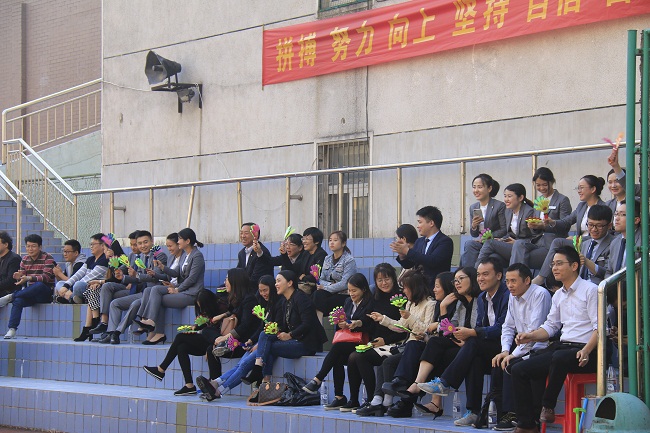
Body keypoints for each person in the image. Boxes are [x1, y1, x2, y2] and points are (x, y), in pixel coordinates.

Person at [510, 246, 598, 433]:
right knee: (519, 368)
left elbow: (600, 329)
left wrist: (586, 350)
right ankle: (527, 424)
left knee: (559, 357)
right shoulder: (558, 295)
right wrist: (530, 335)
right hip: (563, 348)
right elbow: (551, 326)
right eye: (553, 264)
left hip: (588, 351)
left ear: (574, 266)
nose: (554, 268)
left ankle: (547, 406)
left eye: (559, 264)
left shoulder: (591, 290)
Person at [417, 258, 509, 427]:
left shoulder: (506, 296)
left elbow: (501, 328)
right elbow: (453, 328)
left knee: (472, 344)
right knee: (473, 357)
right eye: (479, 274)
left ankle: (444, 383)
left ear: (498, 276)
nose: (481, 278)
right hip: (485, 345)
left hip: (506, 346)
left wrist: (472, 334)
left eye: (485, 274)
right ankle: (473, 412)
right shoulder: (483, 298)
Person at [391, 267, 481, 418]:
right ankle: (416, 386)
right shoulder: (460, 303)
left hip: (472, 344)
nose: (457, 283)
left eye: (461, 279)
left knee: (433, 348)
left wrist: (443, 312)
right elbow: (450, 328)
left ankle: (427, 394)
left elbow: (475, 328)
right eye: (455, 280)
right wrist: (444, 309)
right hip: (458, 342)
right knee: (433, 344)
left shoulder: (479, 301)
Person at [196, 275, 279, 400]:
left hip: (268, 343)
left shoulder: (274, 304)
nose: (263, 294)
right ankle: (215, 383)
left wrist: (257, 344)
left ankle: (218, 391)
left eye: (265, 290)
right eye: (261, 291)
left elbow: (272, 330)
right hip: (258, 342)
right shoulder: (266, 305)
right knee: (239, 365)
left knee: (244, 365)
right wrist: (251, 341)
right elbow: (261, 328)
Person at [490, 263, 552, 431]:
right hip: (523, 346)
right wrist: (505, 351)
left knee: (514, 365)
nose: (509, 285)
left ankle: (524, 417)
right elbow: (508, 326)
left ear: (527, 280)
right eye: (507, 281)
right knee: (500, 362)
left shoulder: (540, 294)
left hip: (542, 346)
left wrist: (513, 355)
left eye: (514, 281)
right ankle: (507, 413)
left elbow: (534, 331)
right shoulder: (513, 296)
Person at [368, 270, 436, 418]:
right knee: (386, 363)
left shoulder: (430, 304)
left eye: (406, 288)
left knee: (390, 362)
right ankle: (380, 399)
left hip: (421, 346)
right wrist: (383, 319)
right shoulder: (410, 304)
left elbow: (426, 330)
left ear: (414, 288)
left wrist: (410, 317)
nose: (404, 291)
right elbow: (401, 327)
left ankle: (393, 394)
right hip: (410, 346)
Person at [301, 273, 374, 411]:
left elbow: (370, 324)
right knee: (337, 357)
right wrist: (342, 324)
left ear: (364, 289)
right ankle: (339, 397)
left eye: (354, 290)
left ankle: (318, 379)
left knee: (337, 348)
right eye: (349, 290)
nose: (351, 294)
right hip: (349, 341)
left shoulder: (370, 303)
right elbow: (344, 322)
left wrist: (355, 324)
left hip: (364, 341)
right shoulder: (347, 302)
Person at [242, 270, 328, 387]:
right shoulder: (285, 301)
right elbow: (283, 326)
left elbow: (307, 324)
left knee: (269, 347)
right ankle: (260, 373)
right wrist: (273, 329)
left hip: (306, 343)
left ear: (289, 283)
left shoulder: (301, 298)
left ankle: (262, 378)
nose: (276, 284)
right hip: (295, 340)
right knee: (264, 334)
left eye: (278, 281)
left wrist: (289, 335)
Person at [97, 233, 179, 344]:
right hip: (142, 292)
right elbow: (136, 278)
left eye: (145, 242)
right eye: (139, 243)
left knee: (135, 304)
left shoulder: (159, 256)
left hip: (152, 293)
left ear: (152, 241)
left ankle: (117, 333)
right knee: (114, 303)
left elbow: (154, 277)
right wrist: (123, 277)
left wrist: (136, 275)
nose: (142, 246)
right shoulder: (140, 256)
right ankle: (110, 332)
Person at [347, 263, 405, 417]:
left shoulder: (401, 298)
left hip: (394, 344)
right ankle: (359, 399)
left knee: (360, 357)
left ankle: (375, 399)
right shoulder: (375, 298)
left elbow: (404, 329)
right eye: (379, 280)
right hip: (377, 344)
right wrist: (358, 323)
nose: (383, 283)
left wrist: (385, 340)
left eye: (387, 279)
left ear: (393, 278)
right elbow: (368, 321)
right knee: (353, 357)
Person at [143, 289, 225, 395]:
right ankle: (189, 385)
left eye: (202, 307)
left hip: (215, 340)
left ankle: (161, 369)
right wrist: (194, 328)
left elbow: (217, 330)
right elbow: (204, 325)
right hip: (205, 339)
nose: (201, 310)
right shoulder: (207, 311)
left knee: (180, 337)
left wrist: (208, 337)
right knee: (181, 347)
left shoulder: (221, 309)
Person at [531, 175, 606, 286]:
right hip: (579, 242)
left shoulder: (603, 207)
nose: (579, 191)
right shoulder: (581, 206)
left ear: (593, 189)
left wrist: (578, 238)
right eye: (578, 188)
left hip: (592, 242)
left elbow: (603, 233)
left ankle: (541, 277)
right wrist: (552, 222)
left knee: (557, 242)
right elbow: (566, 221)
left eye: (581, 188)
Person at [135, 228, 205, 345]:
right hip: (183, 290)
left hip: (192, 293)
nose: (178, 242)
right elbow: (176, 273)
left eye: (180, 239)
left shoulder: (197, 256)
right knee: (152, 290)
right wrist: (163, 267)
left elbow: (192, 279)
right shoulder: (186, 256)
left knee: (158, 297)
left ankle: (155, 328)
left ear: (187, 241)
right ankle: (148, 322)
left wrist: (177, 289)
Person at [535, 205, 613, 289]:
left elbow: (610, 274)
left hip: (598, 288)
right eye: (590, 225)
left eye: (599, 226)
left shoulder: (613, 244)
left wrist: (587, 262)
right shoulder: (586, 244)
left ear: (609, 226)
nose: (594, 229)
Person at [510, 167, 572, 269]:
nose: (542, 188)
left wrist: (544, 226)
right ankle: (515, 274)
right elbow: (535, 228)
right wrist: (533, 226)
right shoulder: (538, 201)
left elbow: (565, 226)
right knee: (519, 243)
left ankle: (519, 274)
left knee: (522, 256)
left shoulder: (562, 200)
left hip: (552, 243)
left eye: (544, 185)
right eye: (538, 185)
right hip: (537, 240)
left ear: (552, 182)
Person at [0, 234, 56, 339]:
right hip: (29, 292)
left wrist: (28, 278)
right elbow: (22, 278)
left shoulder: (48, 257)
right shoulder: (25, 259)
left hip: (44, 292)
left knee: (39, 285)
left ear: (40, 247)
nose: (30, 249)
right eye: (28, 246)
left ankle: (12, 296)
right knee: (18, 301)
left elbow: (46, 277)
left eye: (33, 246)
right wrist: (19, 278)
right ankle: (12, 329)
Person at [209, 268, 260, 376]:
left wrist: (225, 338)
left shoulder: (249, 300)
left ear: (235, 281)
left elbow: (245, 326)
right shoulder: (237, 299)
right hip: (232, 338)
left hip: (243, 343)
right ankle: (213, 382)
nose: (225, 282)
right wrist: (222, 316)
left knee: (210, 348)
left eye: (227, 279)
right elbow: (234, 312)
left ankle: (214, 382)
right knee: (206, 332)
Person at [391, 206, 453, 289]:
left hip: (436, 287)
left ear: (431, 223)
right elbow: (409, 264)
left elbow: (432, 261)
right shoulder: (419, 241)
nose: (418, 226)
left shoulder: (445, 241)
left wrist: (407, 251)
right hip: (420, 289)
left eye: (420, 222)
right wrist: (402, 255)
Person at [475, 184, 536, 268]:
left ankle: (476, 270)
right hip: (513, 244)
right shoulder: (508, 211)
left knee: (490, 243)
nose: (506, 199)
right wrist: (501, 239)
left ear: (520, 198)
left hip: (525, 245)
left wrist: (516, 242)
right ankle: (479, 271)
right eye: (505, 196)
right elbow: (509, 234)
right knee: (489, 248)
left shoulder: (529, 212)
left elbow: (535, 236)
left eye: (509, 196)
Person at [460, 174, 507, 267]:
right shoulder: (473, 207)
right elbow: (474, 234)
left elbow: (504, 229)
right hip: (481, 243)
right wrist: (474, 226)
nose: (476, 190)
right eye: (474, 187)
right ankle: (469, 273)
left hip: (495, 242)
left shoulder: (499, 206)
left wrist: (487, 237)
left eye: (480, 187)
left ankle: (475, 272)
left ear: (489, 188)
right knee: (469, 244)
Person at [313, 230, 357, 322]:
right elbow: (321, 279)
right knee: (316, 295)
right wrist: (328, 286)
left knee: (319, 301)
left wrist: (326, 287)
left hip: (343, 294)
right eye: (330, 240)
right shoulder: (327, 259)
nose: (332, 243)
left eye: (335, 240)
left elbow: (344, 284)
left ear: (343, 243)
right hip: (330, 293)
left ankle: (318, 325)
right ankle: (319, 324)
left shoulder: (349, 260)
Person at [237, 222, 273, 291]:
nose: (243, 236)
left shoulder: (261, 252)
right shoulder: (241, 253)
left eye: (246, 233)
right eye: (241, 233)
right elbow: (239, 271)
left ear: (255, 235)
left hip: (259, 291)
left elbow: (256, 278)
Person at [0, 232, 24, 298]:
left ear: (6, 244)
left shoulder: (14, 259)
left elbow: (10, 281)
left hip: (9, 292)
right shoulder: (1, 258)